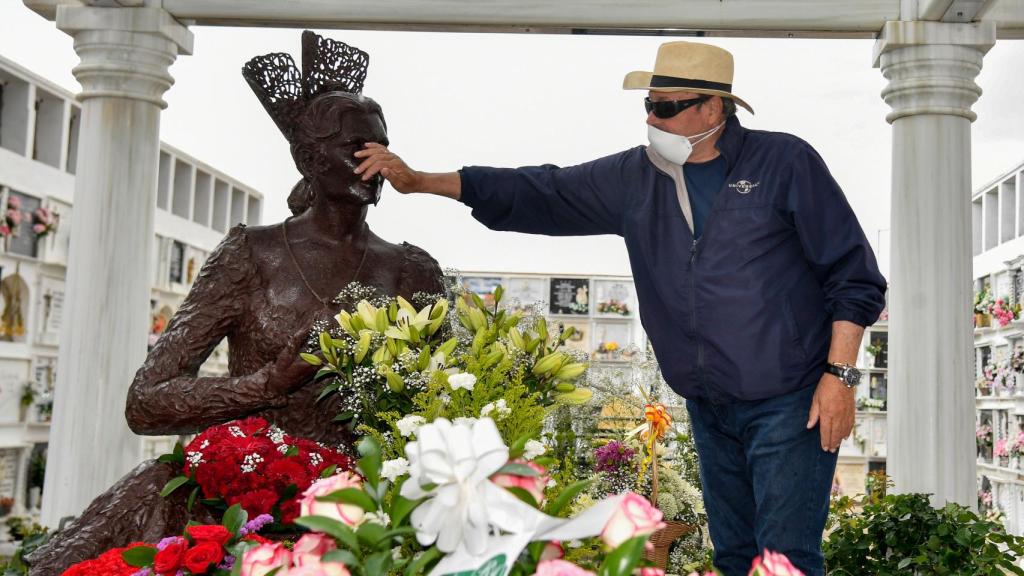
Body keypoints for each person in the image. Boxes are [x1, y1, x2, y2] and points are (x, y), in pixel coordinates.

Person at [353, 41, 886, 576]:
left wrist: (839, 375)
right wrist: (422, 181)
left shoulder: (785, 162)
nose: (652, 118)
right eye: (648, 105)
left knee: (785, 561)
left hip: (791, 401)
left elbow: (852, 275)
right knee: (736, 558)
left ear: (714, 107)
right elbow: (542, 189)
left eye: (667, 107)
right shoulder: (636, 176)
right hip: (710, 404)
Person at [25, 32, 445, 576]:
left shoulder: (413, 270)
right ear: (310, 160)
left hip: (362, 510)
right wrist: (267, 385)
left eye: (381, 144)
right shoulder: (250, 255)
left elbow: (448, 405)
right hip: (241, 500)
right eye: (356, 146)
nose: (376, 159)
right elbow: (146, 402)